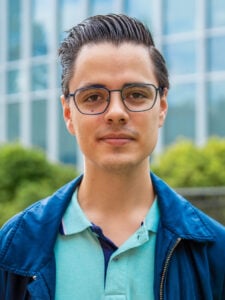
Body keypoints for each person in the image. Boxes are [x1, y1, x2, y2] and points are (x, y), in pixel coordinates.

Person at [0, 14, 225, 300]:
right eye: (93, 96)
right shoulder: (12, 247)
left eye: (136, 94)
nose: (116, 112)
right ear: (69, 113)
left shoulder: (215, 253)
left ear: (162, 106)